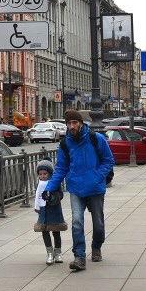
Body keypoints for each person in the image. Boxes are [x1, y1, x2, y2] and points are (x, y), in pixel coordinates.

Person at [44, 109, 116, 271]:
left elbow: (108, 160)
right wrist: (49, 188)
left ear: (81, 123)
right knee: (77, 222)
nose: (71, 126)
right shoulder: (65, 144)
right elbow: (61, 168)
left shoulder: (95, 138)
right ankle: (79, 257)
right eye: (69, 123)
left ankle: (96, 247)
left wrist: (97, 176)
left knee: (98, 224)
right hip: (76, 188)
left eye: (74, 122)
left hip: (95, 187)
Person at [34, 160, 67, 264]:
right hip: (43, 211)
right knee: (44, 231)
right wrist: (37, 206)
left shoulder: (54, 183)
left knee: (56, 231)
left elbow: (60, 195)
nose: (42, 176)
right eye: (40, 174)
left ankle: (58, 253)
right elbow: (37, 197)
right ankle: (49, 253)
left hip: (54, 210)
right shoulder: (39, 184)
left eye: (45, 174)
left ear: (50, 173)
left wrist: (52, 198)